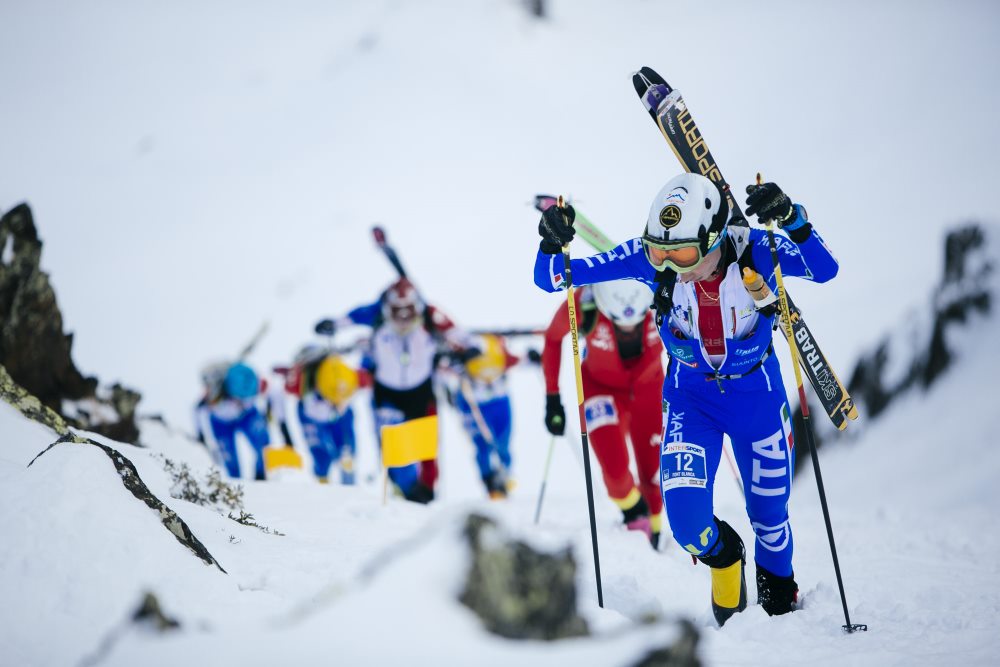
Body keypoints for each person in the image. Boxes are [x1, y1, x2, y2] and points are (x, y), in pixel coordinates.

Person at [532, 173, 839, 625]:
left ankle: (779, 605)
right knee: (687, 523)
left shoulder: (754, 247)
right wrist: (551, 241)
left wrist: (792, 220)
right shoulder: (650, 260)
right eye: (660, 251)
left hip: (756, 395)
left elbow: (824, 268)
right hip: (691, 399)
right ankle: (726, 558)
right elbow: (552, 278)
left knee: (770, 518)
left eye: (684, 253)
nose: (672, 263)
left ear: (714, 237)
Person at [315, 277, 478, 503]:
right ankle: (401, 487)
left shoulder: (430, 316)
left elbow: (458, 333)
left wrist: (470, 349)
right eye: (396, 311)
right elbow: (352, 317)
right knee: (392, 445)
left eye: (408, 311)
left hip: (421, 390)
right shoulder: (377, 315)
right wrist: (333, 324)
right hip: (387, 392)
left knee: (426, 445)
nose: (402, 317)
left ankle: (427, 492)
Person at [542, 280, 664, 548]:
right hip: (600, 390)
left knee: (655, 475)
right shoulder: (584, 302)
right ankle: (634, 511)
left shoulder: (662, 294)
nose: (628, 329)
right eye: (619, 324)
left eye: (635, 323)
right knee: (616, 474)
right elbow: (552, 337)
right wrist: (552, 396)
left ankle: (653, 535)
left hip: (650, 389)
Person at [273, 345, 363, 484]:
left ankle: (337, 487)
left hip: (321, 416)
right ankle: (334, 487)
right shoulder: (312, 374)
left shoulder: (323, 372)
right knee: (339, 455)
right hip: (328, 416)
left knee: (337, 455)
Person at [450, 334, 518, 499]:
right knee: (481, 444)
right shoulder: (464, 348)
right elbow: (445, 364)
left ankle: (503, 478)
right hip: (473, 401)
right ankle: (489, 482)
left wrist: (535, 357)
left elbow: (516, 360)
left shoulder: (498, 348)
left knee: (502, 441)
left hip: (499, 399)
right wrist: (456, 360)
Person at [195, 361, 270, 480]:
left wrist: (200, 435)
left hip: (232, 420)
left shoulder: (238, 385)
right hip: (234, 419)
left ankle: (247, 480)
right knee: (260, 447)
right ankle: (251, 479)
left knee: (233, 458)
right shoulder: (234, 387)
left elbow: (198, 411)